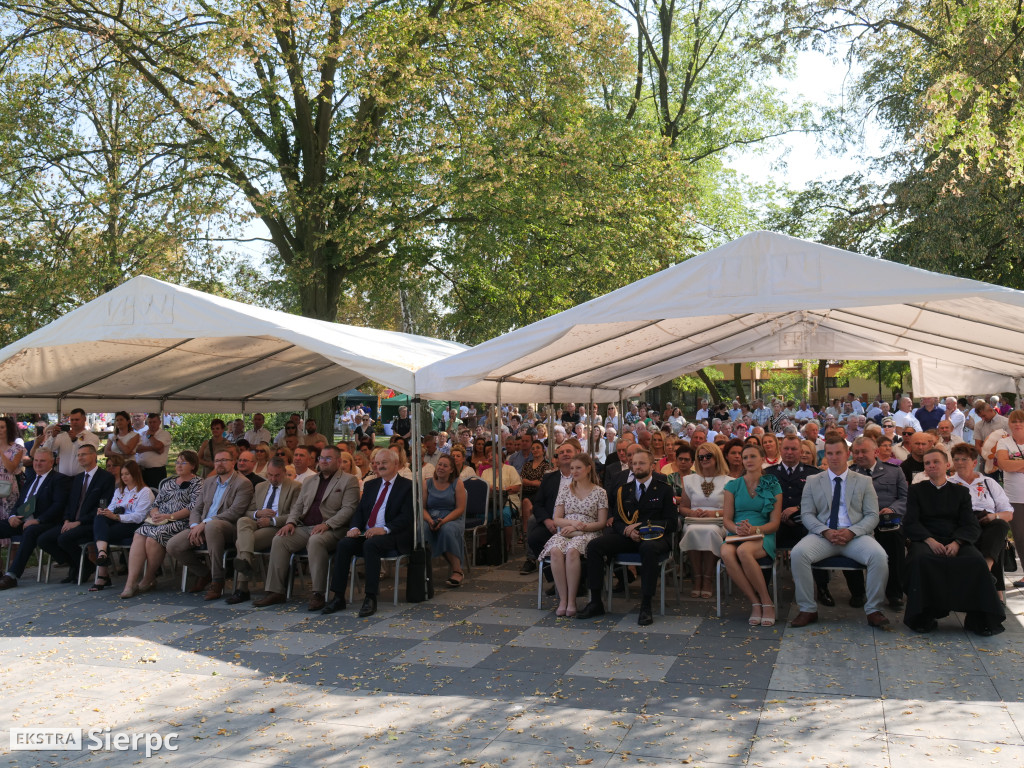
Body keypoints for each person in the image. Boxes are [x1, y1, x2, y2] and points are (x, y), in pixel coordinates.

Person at [903, 448, 1005, 635]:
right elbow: (911, 521)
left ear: (947, 465)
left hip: (956, 538)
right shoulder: (916, 490)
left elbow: (970, 523)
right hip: (926, 539)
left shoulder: (961, 492)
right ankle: (924, 616)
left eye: (936, 462)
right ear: (924, 468)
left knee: (975, 562)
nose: (931, 465)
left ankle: (978, 619)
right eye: (927, 463)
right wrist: (930, 541)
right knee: (920, 561)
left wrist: (958, 542)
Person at [790, 436, 889, 628]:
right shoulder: (813, 481)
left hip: (855, 536)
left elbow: (872, 515)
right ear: (824, 455)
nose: (834, 458)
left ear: (847, 454)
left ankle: (874, 610)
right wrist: (825, 531)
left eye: (838, 453)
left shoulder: (864, 481)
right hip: (823, 536)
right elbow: (808, 514)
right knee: (798, 553)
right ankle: (807, 609)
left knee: (879, 556)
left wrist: (852, 532)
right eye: (829, 453)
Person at [253, 445, 360, 610]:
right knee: (280, 539)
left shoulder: (348, 480)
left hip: (332, 528)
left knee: (316, 541)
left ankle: (318, 593)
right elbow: (298, 506)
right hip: (305, 526)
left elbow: (349, 509)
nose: (323, 461)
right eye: (321, 458)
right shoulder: (310, 480)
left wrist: (327, 524)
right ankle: (276, 591)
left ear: (338, 461)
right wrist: (290, 522)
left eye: (328, 458)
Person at [578, 449, 677, 626]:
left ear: (652, 466)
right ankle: (595, 601)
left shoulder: (664, 489)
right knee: (594, 546)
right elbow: (616, 520)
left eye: (642, 463)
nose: (637, 467)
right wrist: (626, 530)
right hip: (629, 537)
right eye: (634, 463)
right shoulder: (624, 490)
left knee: (648, 549)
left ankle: (646, 605)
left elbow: (671, 522)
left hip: (655, 538)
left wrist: (641, 528)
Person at [322, 450, 414, 617]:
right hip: (367, 533)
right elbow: (359, 512)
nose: (379, 466)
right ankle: (338, 597)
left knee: (371, 545)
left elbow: (407, 517)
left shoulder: (407, 486)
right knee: (343, 544)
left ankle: (370, 597)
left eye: (384, 462)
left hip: (392, 535)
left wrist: (384, 529)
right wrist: (354, 527)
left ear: (396, 464)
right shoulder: (371, 485)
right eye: (377, 463)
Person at [166, 449, 254, 600]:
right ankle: (204, 573)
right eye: (217, 461)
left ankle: (217, 580)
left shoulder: (243, 483)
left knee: (213, 527)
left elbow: (234, 512)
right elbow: (196, 508)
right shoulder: (208, 482)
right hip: (202, 527)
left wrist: (205, 523)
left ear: (233, 462)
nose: (220, 463)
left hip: (228, 527)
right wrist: (194, 526)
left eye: (224, 460)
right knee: (173, 545)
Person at [119, 451, 203, 598]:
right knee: (139, 533)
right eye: (177, 462)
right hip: (160, 519)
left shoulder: (199, 483)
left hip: (180, 521)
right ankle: (130, 583)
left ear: (193, 465)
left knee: (154, 537)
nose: (178, 465)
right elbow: (155, 504)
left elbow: (193, 507)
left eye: (183, 463)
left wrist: (169, 517)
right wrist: (155, 514)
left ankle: (149, 578)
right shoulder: (169, 482)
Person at [720, 443, 782, 626]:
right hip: (738, 532)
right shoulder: (732, 485)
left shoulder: (773, 484)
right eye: (745, 457)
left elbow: (775, 523)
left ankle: (767, 601)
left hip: (763, 533)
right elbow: (727, 519)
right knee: (725, 552)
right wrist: (737, 529)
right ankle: (755, 602)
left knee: (744, 551)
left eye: (752, 456)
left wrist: (755, 530)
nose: (748, 460)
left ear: (762, 459)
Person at [225, 458, 303, 604]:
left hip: (277, 526)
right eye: (270, 475)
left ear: (284, 473)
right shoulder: (261, 486)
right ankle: (247, 562)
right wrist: (258, 513)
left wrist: (272, 520)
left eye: (277, 475)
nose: (273, 479)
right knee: (243, 521)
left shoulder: (295, 487)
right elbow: (248, 511)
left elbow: (295, 514)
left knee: (240, 544)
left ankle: (242, 588)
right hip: (257, 522)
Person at [539, 454, 608, 617]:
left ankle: (572, 600)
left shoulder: (600, 492)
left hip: (589, 532)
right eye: (572, 468)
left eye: (578, 468)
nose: (574, 471)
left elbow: (602, 522)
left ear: (588, 468)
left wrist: (580, 528)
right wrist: (571, 524)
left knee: (572, 551)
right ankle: (563, 599)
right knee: (556, 550)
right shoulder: (565, 490)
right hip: (567, 530)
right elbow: (557, 518)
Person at [36, 444, 116, 582]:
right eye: (78, 455)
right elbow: (70, 503)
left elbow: (103, 506)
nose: (80, 458)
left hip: (91, 523)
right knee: (44, 540)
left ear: (94, 455)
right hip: (71, 522)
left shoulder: (105, 478)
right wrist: (67, 520)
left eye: (83, 454)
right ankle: (82, 565)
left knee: (64, 539)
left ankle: (79, 568)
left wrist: (79, 522)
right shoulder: (78, 478)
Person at [849, 435, 909, 609]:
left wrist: (892, 509)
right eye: (856, 452)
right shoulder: (850, 474)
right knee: (846, 537)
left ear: (875, 452)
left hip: (886, 520)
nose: (859, 455)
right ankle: (858, 592)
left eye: (863, 451)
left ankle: (894, 594)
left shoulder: (894, 471)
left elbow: (905, 498)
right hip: (859, 521)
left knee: (895, 540)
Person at [0, 448, 69, 590]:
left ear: (52, 462)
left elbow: (58, 505)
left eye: (42, 461)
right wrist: (12, 516)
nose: (38, 464)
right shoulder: (31, 478)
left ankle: (12, 575)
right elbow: (20, 502)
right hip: (22, 519)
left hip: (46, 522)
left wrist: (38, 520)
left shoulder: (59, 479)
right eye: (36, 460)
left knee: (30, 531)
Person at [948, 443, 1013, 590]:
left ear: (974, 463)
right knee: (995, 543)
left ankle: (985, 568)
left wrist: (993, 516)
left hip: (986, 520)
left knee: (1000, 525)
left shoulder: (988, 482)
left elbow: (1008, 513)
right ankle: (997, 593)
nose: (959, 463)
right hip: (962, 522)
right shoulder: (949, 483)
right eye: (956, 459)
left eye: (964, 459)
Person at [89, 460, 155, 591]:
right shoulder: (120, 490)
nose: (124, 477)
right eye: (123, 474)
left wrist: (117, 517)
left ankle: (102, 576)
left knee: (101, 535)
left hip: (134, 525)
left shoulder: (145, 492)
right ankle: (102, 554)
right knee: (100, 517)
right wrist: (105, 512)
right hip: (117, 522)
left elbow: (139, 517)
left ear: (135, 474)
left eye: (127, 474)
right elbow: (112, 508)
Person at [678, 442, 730, 600]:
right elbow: (683, 508)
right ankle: (697, 577)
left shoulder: (729, 481)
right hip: (694, 521)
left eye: (708, 456)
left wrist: (712, 513)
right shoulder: (689, 480)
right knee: (692, 531)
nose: (704, 459)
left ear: (717, 457)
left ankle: (708, 579)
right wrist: (694, 512)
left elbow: (731, 510)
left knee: (711, 532)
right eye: (701, 457)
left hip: (718, 522)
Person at [520, 441, 577, 576]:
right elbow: (538, 504)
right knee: (534, 538)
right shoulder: (549, 478)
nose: (565, 454)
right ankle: (554, 578)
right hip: (552, 524)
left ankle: (578, 580)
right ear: (557, 458)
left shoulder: (584, 477)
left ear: (577, 454)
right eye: (561, 452)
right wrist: (546, 520)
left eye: (569, 451)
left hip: (576, 525)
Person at [422, 455, 467, 588]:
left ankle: (457, 570)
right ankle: (423, 569)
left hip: (452, 517)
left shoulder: (457, 483)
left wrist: (444, 521)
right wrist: (430, 520)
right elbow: (422, 508)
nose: (441, 468)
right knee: (421, 529)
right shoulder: (427, 483)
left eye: (445, 466)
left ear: (452, 470)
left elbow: (460, 509)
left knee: (446, 529)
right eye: (439, 464)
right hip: (430, 517)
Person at [37, 408, 100, 476]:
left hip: (82, 478)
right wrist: (53, 436)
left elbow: (89, 453)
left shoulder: (92, 437)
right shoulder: (62, 436)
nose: (74, 422)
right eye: (72, 420)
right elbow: (46, 450)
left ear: (84, 419)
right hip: (63, 477)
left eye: (77, 419)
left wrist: (76, 440)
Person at [0, 416, 24, 534]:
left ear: (8, 429)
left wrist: (1, 452)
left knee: (8, 519)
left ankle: (11, 548)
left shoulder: (17, 448)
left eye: (2, 427)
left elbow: (10, 468)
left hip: (8, 487)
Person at [134, 414, 171, 489]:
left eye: (154, 422)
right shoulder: (143, 434)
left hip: (156, 472)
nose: (152, 424)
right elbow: (137, 449)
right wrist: (155, 448)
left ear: (159, 422)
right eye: (150, 422)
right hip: (141, 470)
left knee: (156, 494)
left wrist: (150, 436)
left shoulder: (164, 434)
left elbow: (158, 446)